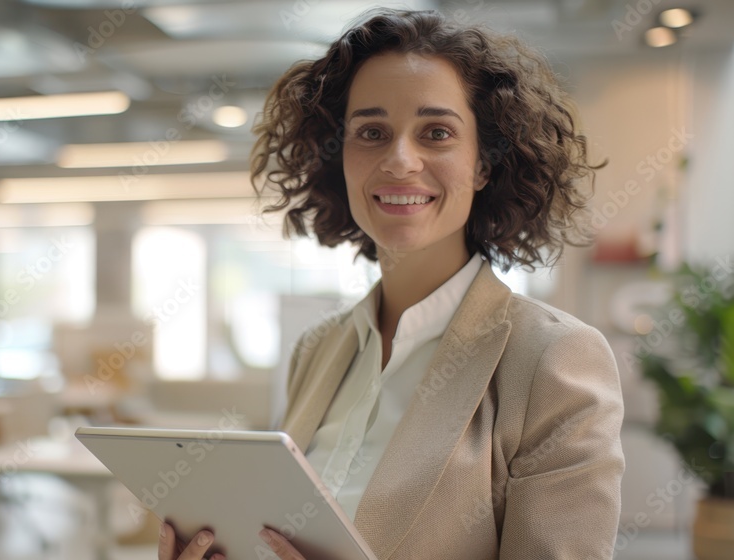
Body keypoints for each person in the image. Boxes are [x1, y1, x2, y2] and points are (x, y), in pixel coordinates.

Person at [158, 8, 624, 560]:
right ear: (340, 159)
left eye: (437, 133)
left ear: (483, 166)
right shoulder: (318, 349)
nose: (400, 160)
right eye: (371, 133)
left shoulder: (553, 359)